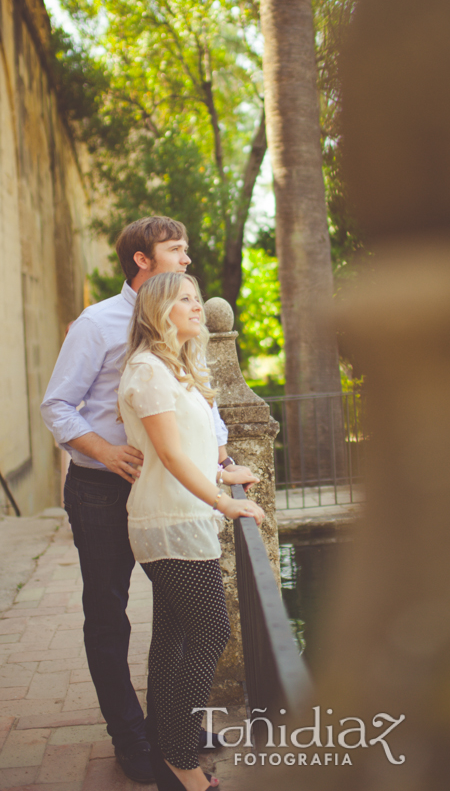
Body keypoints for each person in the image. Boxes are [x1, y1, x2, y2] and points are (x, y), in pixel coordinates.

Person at [40, 217, 243, 783]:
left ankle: (168, 729)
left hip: (168, 490)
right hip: (103, 487)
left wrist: (221, 461)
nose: (187, 259)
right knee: (108, 616)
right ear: (142, 260)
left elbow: (202, 402)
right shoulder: (96, 323)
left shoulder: (180, 317)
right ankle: (130, 737)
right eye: (176, 250)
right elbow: (57, 405)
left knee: (177, 619)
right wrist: (104, 451)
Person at [118, 272, 264, 791]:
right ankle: (180, 759)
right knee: (210, 632)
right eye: (185, 299)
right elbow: (171, 455)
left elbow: (195, 449)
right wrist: (225, 502)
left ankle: (169, 756)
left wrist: (225, 473)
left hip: (182, 517)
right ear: (159, 310)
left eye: (197, 298)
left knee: (175, 638)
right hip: (169, 522)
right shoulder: (148, 371)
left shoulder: (175, 368)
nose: (197, 306)